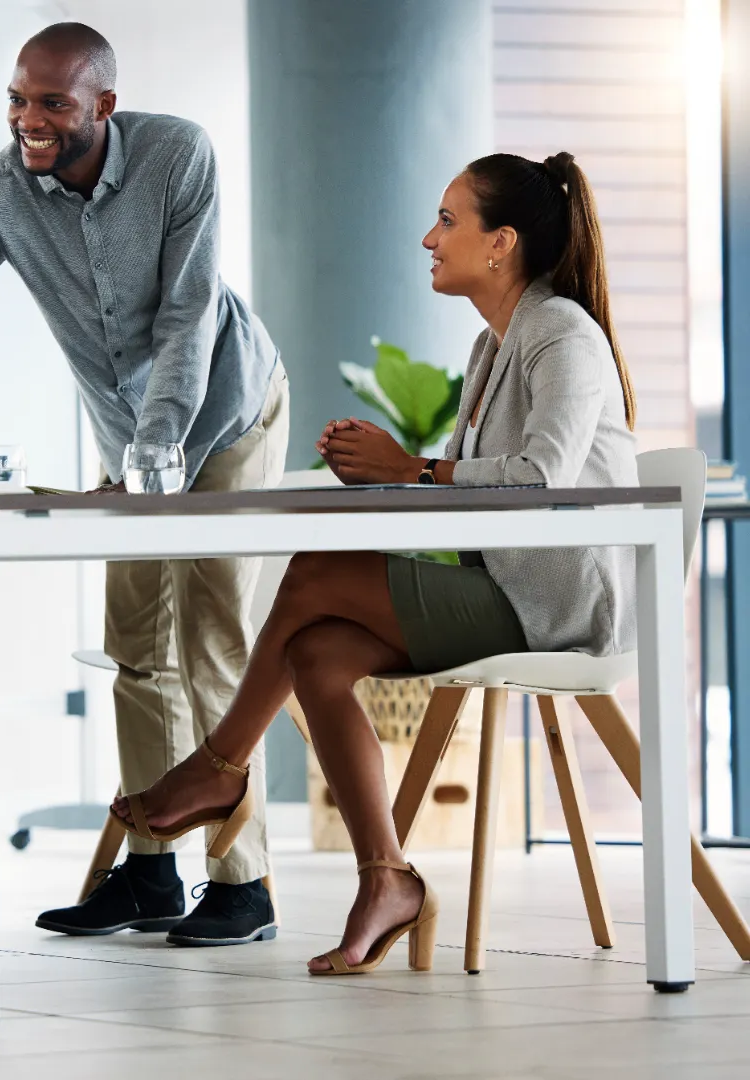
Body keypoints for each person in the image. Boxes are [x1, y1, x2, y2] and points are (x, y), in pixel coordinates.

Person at [110, 150, 638, 975]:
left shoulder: (560, 330)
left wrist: (413, 469)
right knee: (316, 653)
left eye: (449, 221)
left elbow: (544, 478)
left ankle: (219, 768)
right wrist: (388, 472)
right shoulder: (490, 347)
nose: (429, 237)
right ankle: (386, 878)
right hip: (503, 583)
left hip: (558, 607)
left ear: (501, 244)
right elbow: (473, 497)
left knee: (316, 575)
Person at [0, 22, 288, 946]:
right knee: (136, 640)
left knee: (212, 631)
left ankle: (242, 880)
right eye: (18, 100)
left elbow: (187, 317)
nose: (29, 121)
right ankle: (147, 873)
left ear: (104, 102)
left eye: (52, 103)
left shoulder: (178, 154)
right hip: (129, 432)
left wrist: (158, 458)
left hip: (222, 413)